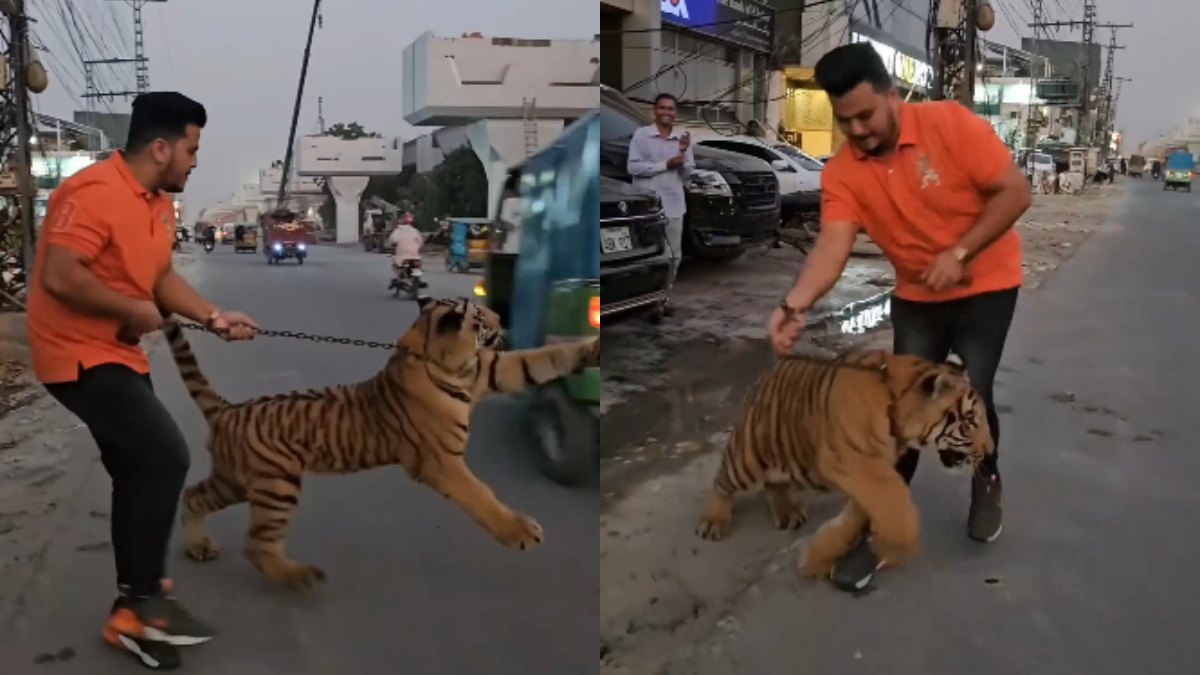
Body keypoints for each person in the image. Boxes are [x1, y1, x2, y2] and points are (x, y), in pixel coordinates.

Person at [766, 44, 1031, 593]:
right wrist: (795, 306)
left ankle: (987, 478)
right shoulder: (843, 174)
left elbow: (1015, 192)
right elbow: (832, 247)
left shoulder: (949, 124)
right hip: (917, 295)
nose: (857, 130)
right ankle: (880, 521)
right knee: (901, 407)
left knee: (971, 391)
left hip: (987, 283)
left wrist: (959, 252)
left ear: (892, 95)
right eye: (845, 121)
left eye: (866, 115)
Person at [26, 91, 260, 669]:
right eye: (192, 148)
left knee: (139, 470)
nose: (196, 161)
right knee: (163, 457)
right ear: (161, 147)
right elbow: (59, 275)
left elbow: (158, 279)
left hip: (119, 355)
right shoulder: (92, 192)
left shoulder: (155, 204)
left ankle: (138, 598)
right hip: (75, 355)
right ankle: (141, 602)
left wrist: (211, 315)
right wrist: (129, 312)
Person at [627, 92, 694, 317]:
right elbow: (633, 168)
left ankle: (662, 300)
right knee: (645, 255)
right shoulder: (642, 135)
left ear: (675, 113)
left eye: (671, 109)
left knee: (673, 255)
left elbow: (687, 174)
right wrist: (666, 164)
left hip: (674, 204)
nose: (667, 112)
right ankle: (640, 301)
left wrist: (683, 156)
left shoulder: (682, 137)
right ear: (655, 111)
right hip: (646, 206)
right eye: (663, 108)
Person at [387, 218, 425, 286]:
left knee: (396, 264)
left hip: (402, 252)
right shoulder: (415, 231)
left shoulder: (399, 230)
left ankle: (400, 277)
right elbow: (421, 242)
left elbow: (393, 239)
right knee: (417, 264)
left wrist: (389, 245)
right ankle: (417, 279)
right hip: (414, 252)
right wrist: (418, 247)